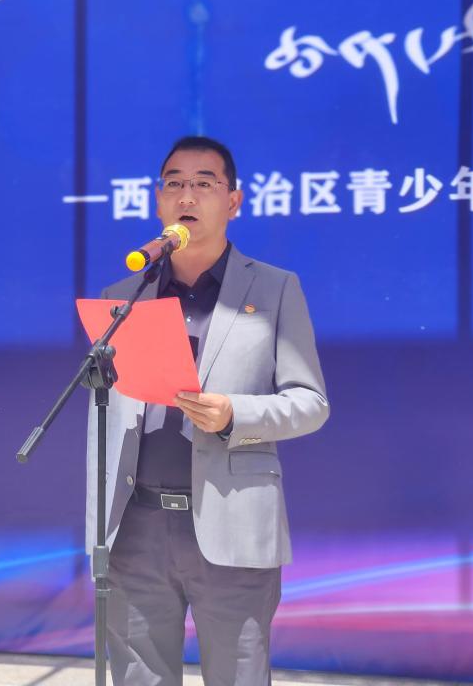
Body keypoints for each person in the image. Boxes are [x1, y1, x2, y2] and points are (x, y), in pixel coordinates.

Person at [86, 136, 330, 686]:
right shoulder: (124, 296)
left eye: (203, 183)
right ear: (158, 200)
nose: (186, 195)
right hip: (136, 526)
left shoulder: (274, 289)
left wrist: (234, 415)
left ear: (233, 201)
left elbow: (310, 403)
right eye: (174, 183)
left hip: (233, 523)